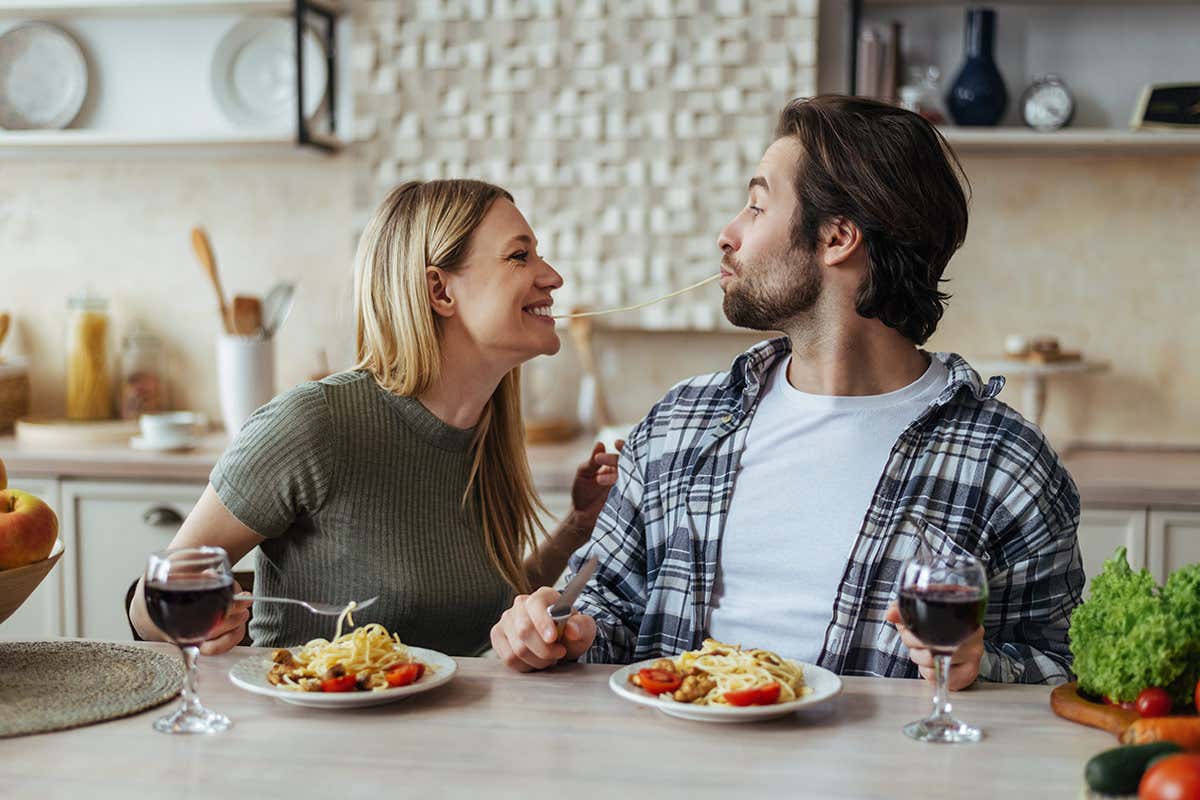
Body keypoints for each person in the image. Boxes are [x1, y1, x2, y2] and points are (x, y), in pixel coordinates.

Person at [491, 95, 1085, 688]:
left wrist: (981, 667)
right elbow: (603, 613)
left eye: (756, 207)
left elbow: (1065, 666)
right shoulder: (678, 426)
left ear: (837, 238)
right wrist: (556, 633)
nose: (727, 234)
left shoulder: (1004, 463)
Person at [130, 179, 620, 655]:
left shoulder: (484, 433)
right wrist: (199, 621)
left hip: (454, 733)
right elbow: (147, 607)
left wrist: (577, 525)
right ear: (439, 291)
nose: (553, 277)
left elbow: (485, 610)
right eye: (520, 255)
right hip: (316, 733)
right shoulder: (313, 424)